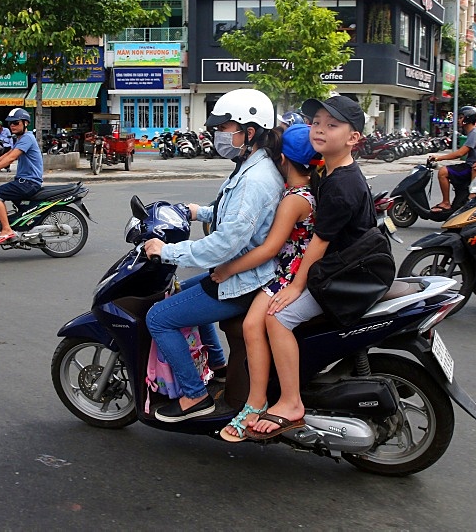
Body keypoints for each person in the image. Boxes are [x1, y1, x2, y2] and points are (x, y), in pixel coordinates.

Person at [143, 89, 283, 422]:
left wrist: (168, 251)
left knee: (158, 318)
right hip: (244, 272)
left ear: (249, 132)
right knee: (182, 293)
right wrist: (200, 212)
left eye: (225, 128)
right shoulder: (251, 165)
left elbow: (224, 244)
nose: (219, 134)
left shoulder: (255, 179)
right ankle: (218, 366)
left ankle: (195, 397)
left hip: (243, 280)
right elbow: (237, 218)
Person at [248, 96, 376, 440]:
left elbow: (318, 243)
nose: (320, 129)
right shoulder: (328, 171)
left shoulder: (341, 184)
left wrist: (294, 287)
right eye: (317, 122)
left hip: (343, 276)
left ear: (353, 138)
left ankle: (291, 402)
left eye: (332, 125)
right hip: (341, 267)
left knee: (277, 317)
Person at [208, 123, 317, 442]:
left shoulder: (294, 199)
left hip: (285, 274)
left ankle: (256, 402)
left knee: (252, 326)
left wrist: (229, 269)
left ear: (282, 159)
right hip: (293, 270)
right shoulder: (307, 190)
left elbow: (270, 248)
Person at [0, 108, 44, 246]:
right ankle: (11, 227)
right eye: (10, 123)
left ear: (25, 123)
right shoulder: (21, 138)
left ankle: (7, 230)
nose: (12, 125)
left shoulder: (27, 138)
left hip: (28, 182)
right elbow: (7, 155)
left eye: (16, 123)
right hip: (25, 181)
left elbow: (10, 159)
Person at [428, 106, 476, 211]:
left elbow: (460, 154)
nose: (459, 120)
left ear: (468, 119)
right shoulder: (472, 133)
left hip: (472, 167)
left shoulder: (474, 134)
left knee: (443, 172)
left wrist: (438, 158)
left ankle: (446, 203)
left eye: (461, 117)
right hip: (471, 165)